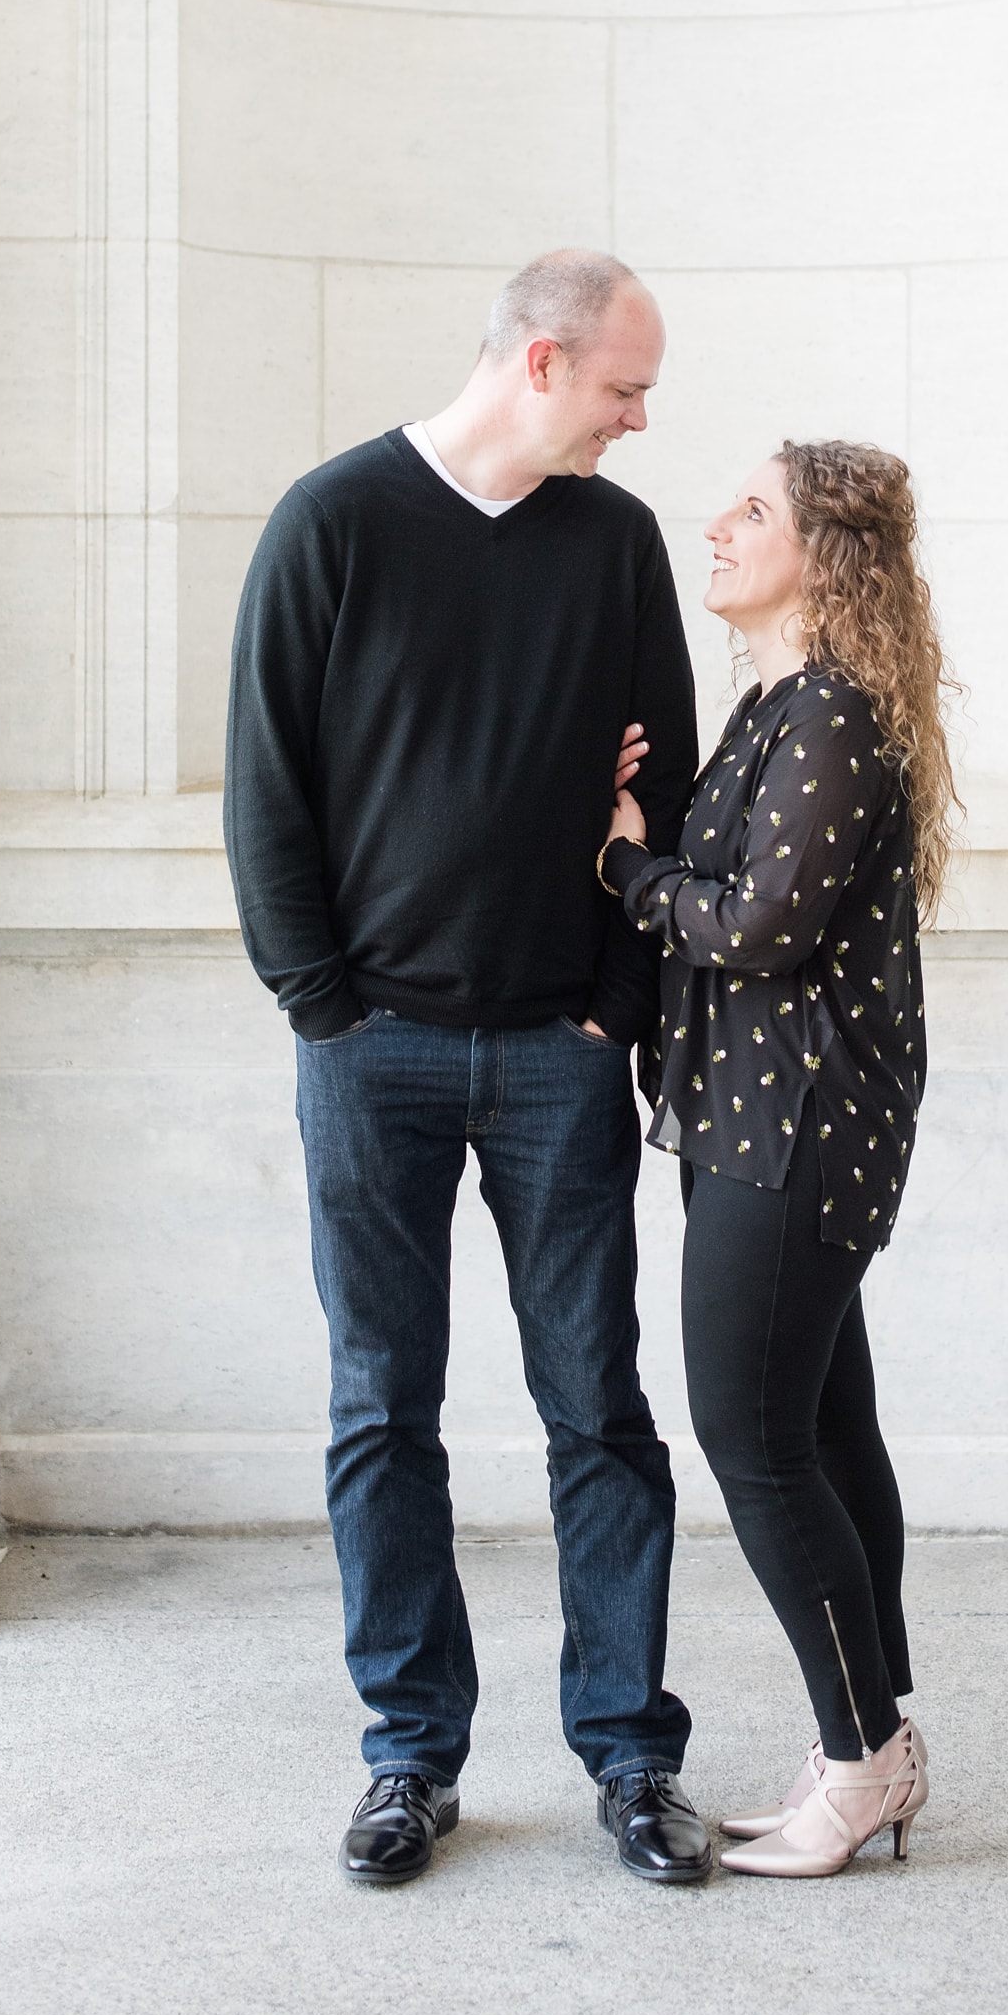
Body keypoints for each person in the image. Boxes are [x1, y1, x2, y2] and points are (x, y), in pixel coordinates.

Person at [225, 250, 712, 1889]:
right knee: (385, 1407)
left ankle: (634, 1755)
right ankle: (410, 1759)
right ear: (539, 361)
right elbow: (265, 788)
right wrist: (323, 1008)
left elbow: (677, 793)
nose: (641, 421)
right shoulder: (335, 520)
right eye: (624, 388)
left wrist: (612, 1012)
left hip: (558, 1054)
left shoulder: (616, 546)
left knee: (598, 1407)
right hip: (374, 1053)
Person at [598, 440, 956, 1878]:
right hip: (764, 1114)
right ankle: (871, 1743)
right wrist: (649, 805)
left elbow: (757, 923)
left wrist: (627, 867)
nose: (717, 524)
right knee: (820, 1430)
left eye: (753, 510)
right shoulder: (777, 706)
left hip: (796, 1126)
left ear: (826, 553)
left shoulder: (832, 715)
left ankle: (861, 1758)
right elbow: (730, 867)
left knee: (752, 1437)